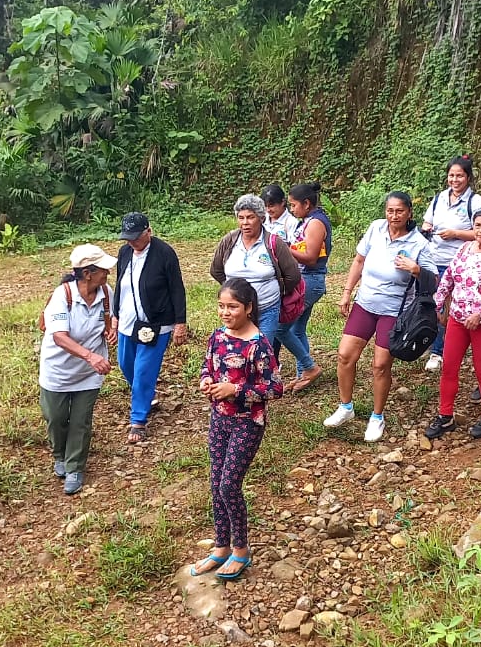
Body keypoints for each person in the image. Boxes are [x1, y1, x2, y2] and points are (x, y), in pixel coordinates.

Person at [190, 278, 283, 581]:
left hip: (248, 423)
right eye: (221, 306)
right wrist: (206, 381)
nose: (225, 312)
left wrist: (236, 390)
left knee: (229, 485)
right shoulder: (217, 337)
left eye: (232, 307)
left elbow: (275, 388)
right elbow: (208, 366)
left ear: (249, 308)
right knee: (216, 483)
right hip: (219, 419)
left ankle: (240, 550)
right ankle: (221, 547)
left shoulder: (259, 345)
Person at [324, 191, 433, 443]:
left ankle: (377, 416)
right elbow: (359, 261)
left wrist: (416, 269)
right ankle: (345, 407)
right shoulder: (376, 228)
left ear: (409, 213)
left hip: (394, 310)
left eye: (399, 211)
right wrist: (346, 292)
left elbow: (433, 280)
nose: (394, 216)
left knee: (380, 365)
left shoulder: (419, 243)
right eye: (390, 210)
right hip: (365, 303)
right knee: (345, 355)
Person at [424, 209, 481, 440]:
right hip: (458, 318)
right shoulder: (464, 249)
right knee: (449, 367)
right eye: (477, 225)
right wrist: (437, 304)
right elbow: (449, 277)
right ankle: (445, 416)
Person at [40, 244, 118, 495]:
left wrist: (111, 331)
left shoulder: (106, 292)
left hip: (89, 373)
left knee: (80, 421)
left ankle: (75, 467)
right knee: (55, 418)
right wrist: (90, 356)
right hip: (58, 370)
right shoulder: (62, 296)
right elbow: (59, 337)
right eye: (103, 269)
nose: (107, 273)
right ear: (87, 273)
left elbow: (109, 319)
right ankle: (59, 454)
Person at [114, 212, 190, 444]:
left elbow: (177, 288)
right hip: (127, 321)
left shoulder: (164, 253)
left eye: (136, 237)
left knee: (143, 372)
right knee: (125, 364)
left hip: (156, 323)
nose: (132, 242)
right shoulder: (124, 252)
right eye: (128, 238)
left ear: (149, 231)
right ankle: (147, 395)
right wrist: (115, 315)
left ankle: (138, 420)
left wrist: (180, 322)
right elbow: (119, 285)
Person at [420, 155, 481, 372]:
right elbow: (427, 221)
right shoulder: (440, 198)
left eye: (460, 176)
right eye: (451, 175)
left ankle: (439, 352)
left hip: (458, 262)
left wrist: (456, 233)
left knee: (448, 307)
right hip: (432, 260)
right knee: (431, 303)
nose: (455, 180)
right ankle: (431, 341)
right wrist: (426, 229)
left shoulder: (475, 202)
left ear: (468, 177)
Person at [211, 194, 302, 343]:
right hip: (235, 311)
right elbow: (216, 270)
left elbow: (293, 275)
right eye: (241, 218)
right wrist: (234, 289)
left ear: (261, 218)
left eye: (250, 217)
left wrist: (275, 291)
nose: (245, 223)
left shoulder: (273, 243)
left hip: (267, 308)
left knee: (261, 348)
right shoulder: (229, 241)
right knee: (235, 348)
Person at [274, 182, 332, 393]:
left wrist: (284, 248)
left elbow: (310, 257)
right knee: (297, 329)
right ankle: (303, 375)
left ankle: (310, 367)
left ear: (306, 204)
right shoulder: (309, 220)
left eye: (293, 205)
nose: (291, 209)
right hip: (306, 279)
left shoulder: (315, 223)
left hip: (310, 279)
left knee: (280, 328)